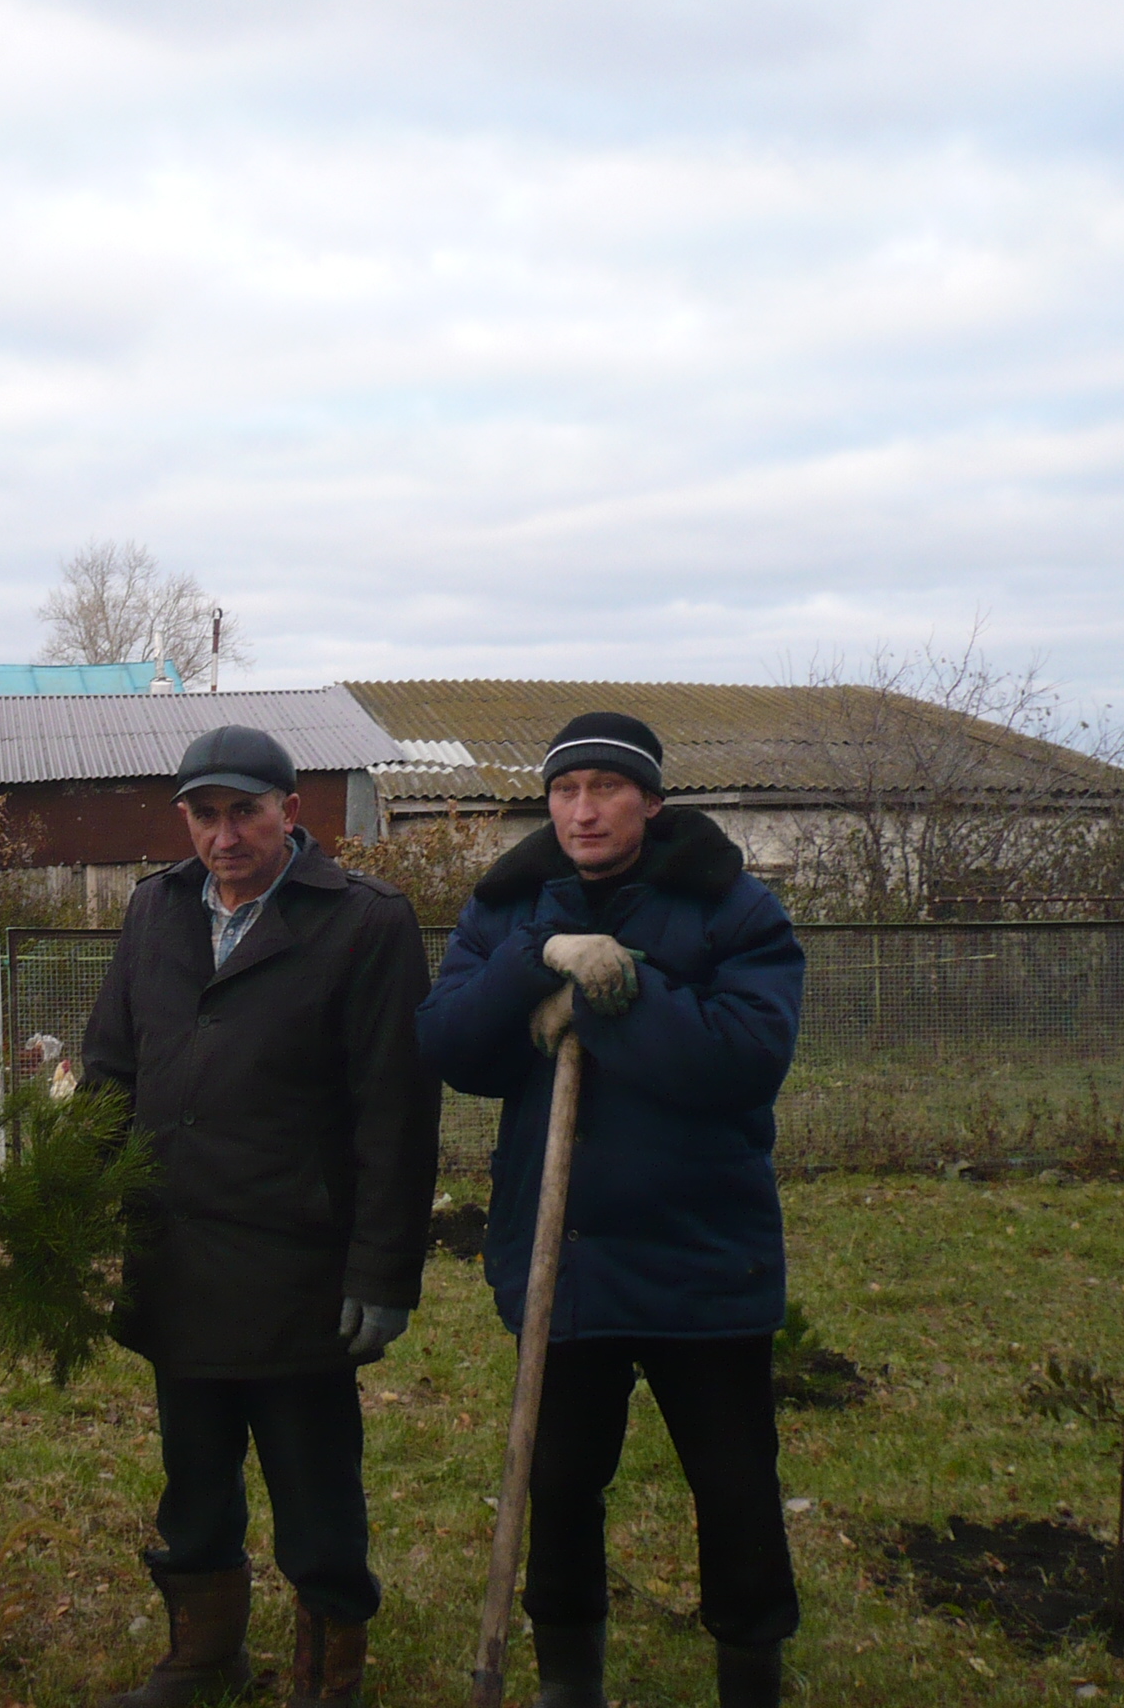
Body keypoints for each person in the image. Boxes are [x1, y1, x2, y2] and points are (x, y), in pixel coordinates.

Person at [415, 713, 806, 1708]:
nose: (582, 810)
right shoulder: (506, 906)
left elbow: (740, 1063)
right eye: (564, 791)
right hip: (564, 1260)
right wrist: (534, 960)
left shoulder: (731, 908)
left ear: (651, 801)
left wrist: (612, 998)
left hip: (702, 1255)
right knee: (558, 1481)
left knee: (733, 1487)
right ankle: (567, 1679)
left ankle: (750, 1671)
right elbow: (452, 1046)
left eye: (604, 788)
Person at [83, 726, 437, 1708]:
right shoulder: (155, 911)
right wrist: (69, 1205)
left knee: (314, 1488)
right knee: (193, 1476)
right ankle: (203, 1656)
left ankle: (329, 1675)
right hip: (177, 1250)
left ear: (291, 810)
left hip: (298, 1266)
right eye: (204, 813)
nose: (224, 834)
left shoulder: (363, 923)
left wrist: (381, 1272)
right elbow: (112, 1068)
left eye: (245, 810)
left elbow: (395, 1113)